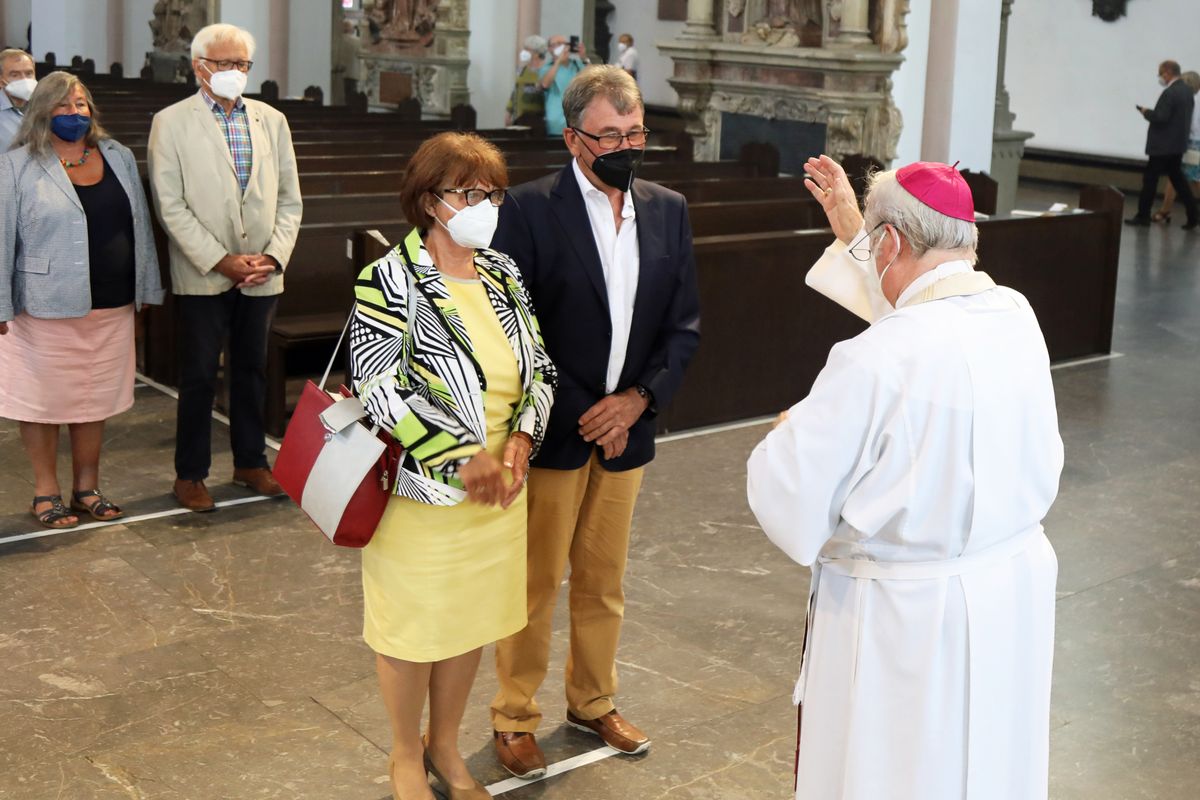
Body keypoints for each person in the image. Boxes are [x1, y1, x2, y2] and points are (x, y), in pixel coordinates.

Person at [746, 155, 1064, 800]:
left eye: (874, 239)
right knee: (987, 763)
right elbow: (921, 315)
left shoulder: (875, 358)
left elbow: (790, 494)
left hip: (903, 617)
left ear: (889, 241)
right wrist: (854, 237)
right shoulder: (1014, 315)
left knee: (894, 772)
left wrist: (787, 430)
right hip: (1007, 590)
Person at [489, 65, 700, 779]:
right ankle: (515, 715)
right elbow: (516, 327)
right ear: (574, 137)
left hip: (628, 430)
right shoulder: (528, 209)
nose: (626, 144)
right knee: (535, 578)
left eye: (635, 131)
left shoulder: (666, 209)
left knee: (604, 578)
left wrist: (638, 400)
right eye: (610, 134)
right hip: (557, 428)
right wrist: (588, 410)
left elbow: (684, 325)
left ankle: (592, 698)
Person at [349, 131, 556, 800]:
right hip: (425, 494)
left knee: (470, 621)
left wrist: (523, 438)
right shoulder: (390, 277)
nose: (484, 204)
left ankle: (445, 744)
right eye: (468, 192)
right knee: (413, 629)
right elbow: (377, 387)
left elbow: (541, 368)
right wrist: (458, 454)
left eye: (491, 192)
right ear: (429, 200)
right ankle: (405, 754)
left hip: (501, 489)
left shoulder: (502, 272)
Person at [148, 22, 303, 512]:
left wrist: (272, 256)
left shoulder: (270, 120)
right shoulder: (171, 122)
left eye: (242, 65)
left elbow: (289, 201)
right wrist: (222, 261)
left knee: (251, 369)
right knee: (197, 374)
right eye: (226, 64)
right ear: (200, 68)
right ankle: (190, 474)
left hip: (261, 271)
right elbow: (170, 205)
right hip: (204, 272)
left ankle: (251, 461)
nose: (236, 72)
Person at [0, 72, 164, 528]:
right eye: (63, 106)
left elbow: (140, 225)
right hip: (43, 307)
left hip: (111, 303)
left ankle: (86, 488)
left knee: (94, 399)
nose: (74, 114)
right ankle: (45, 491)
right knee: (43, 401)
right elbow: (0, 238)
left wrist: (146, 285)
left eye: (81, 105)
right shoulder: (16, 165)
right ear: (42, 111)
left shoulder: (117, 156)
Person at [1127, 59, 1199, 229]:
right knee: (1179, 181)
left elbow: (1161, 117)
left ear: (1168, 72)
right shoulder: (1187, 92)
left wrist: (1146, 112)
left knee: (1150, 180)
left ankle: (1143, 216)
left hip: (1162, 146)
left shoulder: (1170, 93)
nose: (1160, 77)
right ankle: (1193, 215)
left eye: (1161, 73)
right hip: (1177, 145)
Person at [1152, 70, 1200, 222]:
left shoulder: (1191, 100)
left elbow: (1189, 124)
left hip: (1192, 143)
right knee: (1177, 177)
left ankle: (1166, 211)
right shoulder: (1191, 99)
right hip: (1190, 142)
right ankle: (1165, 210)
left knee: (1188, 178)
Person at [539, 34, 588, 136]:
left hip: (578, 121)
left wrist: (584, 58)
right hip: (556, 121)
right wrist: (558, 61)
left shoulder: (577, 64)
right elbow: (545, 84)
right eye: (557, 44)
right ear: (550, 49)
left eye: (564, 44)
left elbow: (594, 78)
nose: (562, 47)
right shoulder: (547, 67)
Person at [505, 35, 547, 127]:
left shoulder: (546, 71)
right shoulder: (522, 70)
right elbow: (515, 92)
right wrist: (508, 112)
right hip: (519, 118)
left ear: (536, 53)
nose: (524, 52)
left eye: (527, 49)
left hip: (537, 120)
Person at [0, 48, 37, 150]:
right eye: (15, 75)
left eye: (29, 73)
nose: (24, 79)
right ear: (1, 81)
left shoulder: (46, 107)